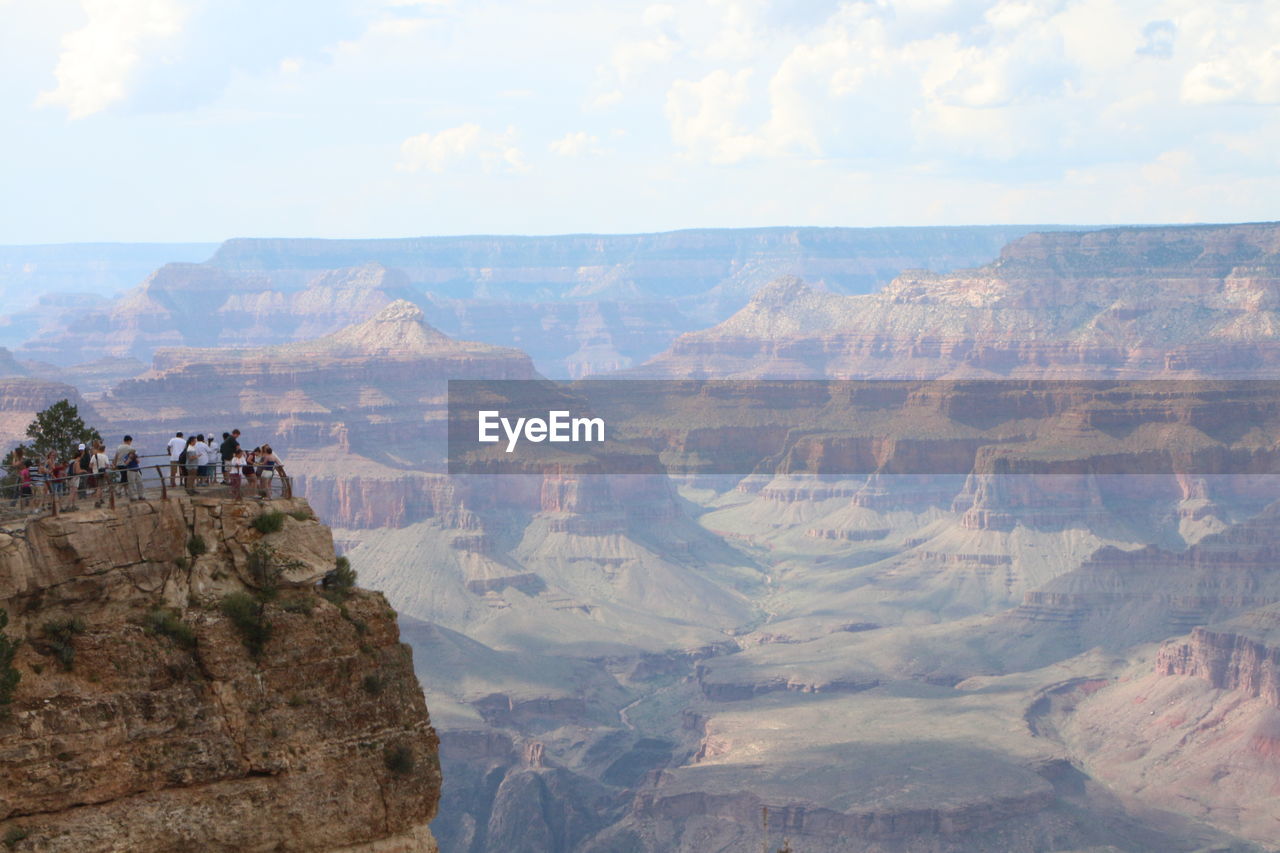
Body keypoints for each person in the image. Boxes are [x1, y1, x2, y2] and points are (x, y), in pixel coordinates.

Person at [90, 440, 112, 507]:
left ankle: (101, 499)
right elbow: (107, 465)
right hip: (102, 473)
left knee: (99, 486)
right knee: (100, 487)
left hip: (95, 472)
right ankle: (97, 501)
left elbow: (90, 465)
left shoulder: (94, 456)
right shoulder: (104, 456)